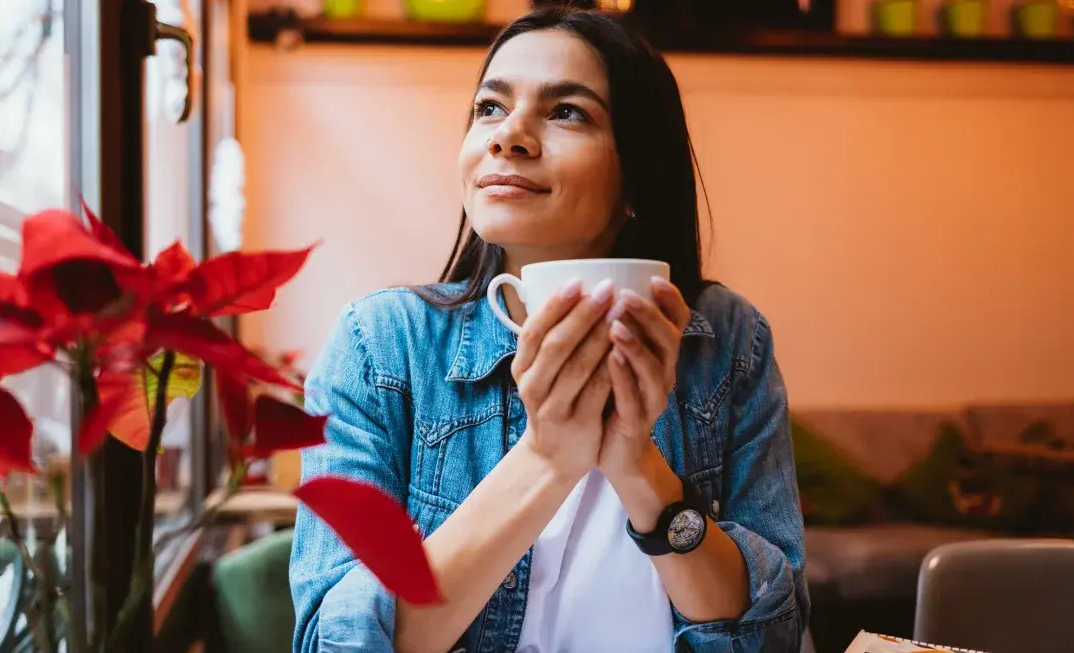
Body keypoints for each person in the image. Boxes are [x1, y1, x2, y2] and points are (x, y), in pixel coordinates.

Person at [289, 7, 808, 653]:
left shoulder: (725, 342)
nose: (509, 137)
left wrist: (640, 467)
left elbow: (775, 637)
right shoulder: (381, 346)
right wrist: (545, 456)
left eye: (567, 111)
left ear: (638, 176)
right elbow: (336, 642)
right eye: (489, 107)